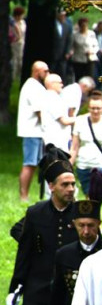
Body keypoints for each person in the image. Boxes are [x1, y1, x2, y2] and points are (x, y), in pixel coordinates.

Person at [8, 152, 78, 305]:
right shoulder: (35, 213)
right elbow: (23, 254)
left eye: (73, 184)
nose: (71, 189)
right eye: (65, 185)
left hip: (69, 294)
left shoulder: (80, 214)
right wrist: (15, 288)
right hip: (38, 291)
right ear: (51, 186)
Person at [17, 61, 50, 201]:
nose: (48, 74)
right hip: (32, 131)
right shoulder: (32, 87)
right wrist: (48, 127)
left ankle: (26, 194)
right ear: (37, 72)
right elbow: (40, 112)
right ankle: (23, 195)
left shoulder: (36, 86)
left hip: (36, 132)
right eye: (45, 71)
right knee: (29, 163)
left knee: (33, 164)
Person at [69, 92, 102, 196]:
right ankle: (92, 212)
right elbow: (75, 146)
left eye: (98, 108)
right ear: (88, 108)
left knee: (97, 195)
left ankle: (94, 212)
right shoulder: (80, 121)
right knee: (88, 196)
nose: (95, 111)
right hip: (84, 166)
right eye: (93, 108)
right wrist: (69, 165)